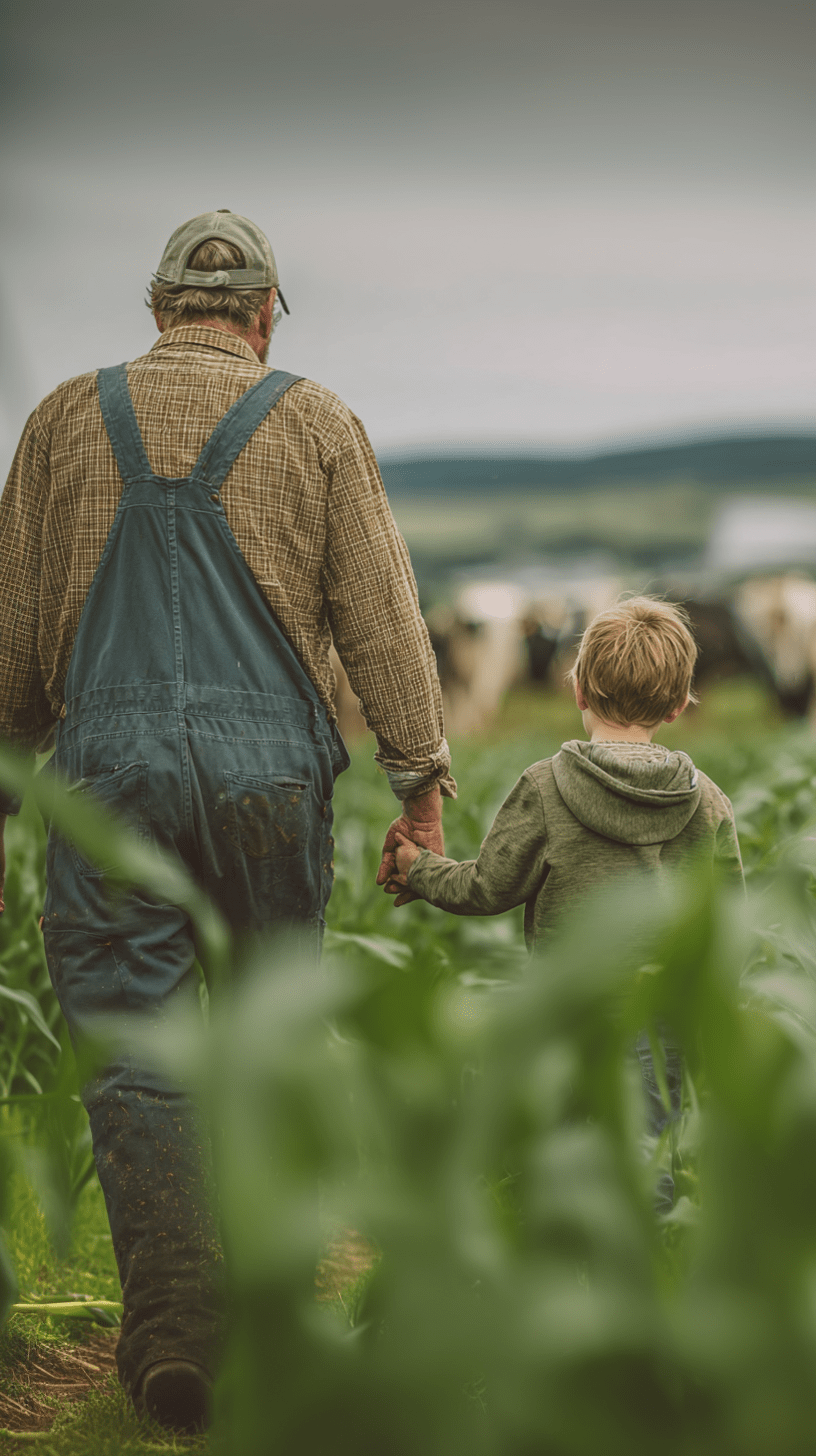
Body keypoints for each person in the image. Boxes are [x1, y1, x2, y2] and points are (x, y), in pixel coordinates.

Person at [0, 209, 454, 1431]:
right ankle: (267, 1309)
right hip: (268, 784)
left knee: (136, 1051)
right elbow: (382, 612)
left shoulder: (56, 423)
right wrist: (420, 780)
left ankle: (169, 1335)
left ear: (155, 313)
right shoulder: (313, 420)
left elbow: (10, 641)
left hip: (107, 778)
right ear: (263, 316)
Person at [394, 595, 744, 1208]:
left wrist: (417, 868)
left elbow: (486, 888)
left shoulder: (545, 787)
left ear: (578, 690)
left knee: (563, 1162)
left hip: (565, 1010)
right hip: (661, 1018)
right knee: (649, 1163)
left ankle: (568, 1278)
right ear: (678, 704)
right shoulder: (707, 801)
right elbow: (726, 924)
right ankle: (648, 1278)